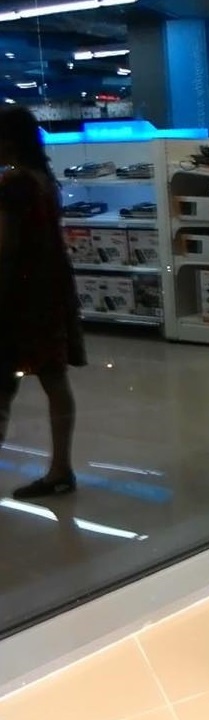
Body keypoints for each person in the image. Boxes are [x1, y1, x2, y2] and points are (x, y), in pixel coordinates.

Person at [0, 105, 86, 500]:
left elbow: (5, 247)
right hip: (50, 290)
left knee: (3, 385)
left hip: (18, 297)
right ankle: (61, 467)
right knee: (54, 379)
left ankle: (60, 471)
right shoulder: (44, 181)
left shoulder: (14, 184)